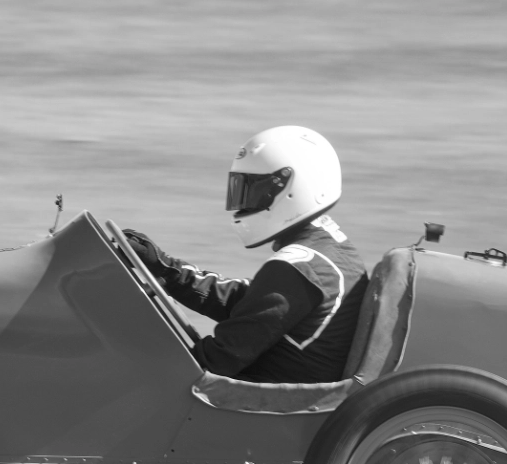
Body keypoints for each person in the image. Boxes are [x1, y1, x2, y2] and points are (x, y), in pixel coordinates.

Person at [125, 126, 367, 384]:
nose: (244, 203)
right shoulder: (330, 251)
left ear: (295, 187)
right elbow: (252, 306)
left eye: (254, 190)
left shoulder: (296, 268)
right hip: (280, 389)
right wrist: (166, 270)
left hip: (267, 405)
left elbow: (219, 359)